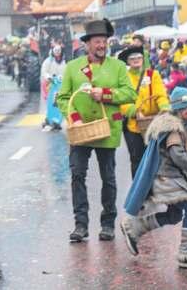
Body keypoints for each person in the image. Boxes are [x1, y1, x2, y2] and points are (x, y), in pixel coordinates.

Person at [121, 87, 187, 271]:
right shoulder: (174, 130)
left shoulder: (175, 125)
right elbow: (179, 158)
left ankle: (134, 227)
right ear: (180, 109)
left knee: (174, 215)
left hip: (169, 178)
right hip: (168, 179)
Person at [56, 19, 137, 243]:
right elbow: (63, 98)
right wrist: (74, 118)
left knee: (108, 178)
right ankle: (80, 225)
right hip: (80, 131)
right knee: (77, 175)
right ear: (87, 44)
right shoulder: (73, 67)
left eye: (104, 41)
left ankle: (108, 224)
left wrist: (106, 94)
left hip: (107, 129)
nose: (102, 45)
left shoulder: (118, 67)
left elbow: (130, 94)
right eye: (97, 42)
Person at [118, 45, 169, 178]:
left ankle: (154, 187)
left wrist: (164, 107)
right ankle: (138, 188)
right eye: (132, 58)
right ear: (127, 61)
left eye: (138, 57)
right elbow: (121, 100)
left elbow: (160, 95)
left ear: (143, 59)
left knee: (154, 159)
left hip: (153, 123)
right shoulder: (124, 77)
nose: (136, 60)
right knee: (137, 160)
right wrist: (134, 111)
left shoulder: (153, 74)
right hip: (133, 127)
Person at [40, 45, 66, 130]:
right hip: (50, 85)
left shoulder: (65, 61)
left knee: (60, 103)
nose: (57, 53)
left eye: (59, 51)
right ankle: (48, 119)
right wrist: (49, 77)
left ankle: (57, 121)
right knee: (50, 103)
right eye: (56, 51)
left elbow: (66, 71)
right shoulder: (48, 61)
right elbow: (44, 72)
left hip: (60, 85)